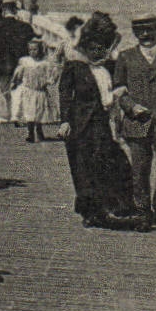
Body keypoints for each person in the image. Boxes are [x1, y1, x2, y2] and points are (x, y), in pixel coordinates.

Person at [57, 13, 138, 228]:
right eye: (93, 47)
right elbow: (65, 94)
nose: (97, 51)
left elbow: (120, 87)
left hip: (106, 125)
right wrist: (64, 121)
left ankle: (114, 206)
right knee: (84, 169)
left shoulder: (110, 66)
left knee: (109, 164)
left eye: (101, 47)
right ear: (86, 46)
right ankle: (91, 212)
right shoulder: (74, 67)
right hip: (81, 126)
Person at [113, 15, 156, 229]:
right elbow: (119, 90)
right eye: (140, 31)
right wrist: (130, 107)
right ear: (135, 33)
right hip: (137, 123)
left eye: (149, 30)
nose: (145, 35)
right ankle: (144, 213)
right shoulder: (126, 57)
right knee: (140, 172)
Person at [9, 38, 60, 142]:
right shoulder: (25, 61)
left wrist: (49, 81)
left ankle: (39, 131)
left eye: (35, 49)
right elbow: (19, 72)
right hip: (28, 91)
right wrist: (15, 82)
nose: (32, 52)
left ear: (40, 50)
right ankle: (30, 133)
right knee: (29, 112)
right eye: (30, 50)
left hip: (40, 91)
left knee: (39, 112)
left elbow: (53, 73)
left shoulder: (45, 63)